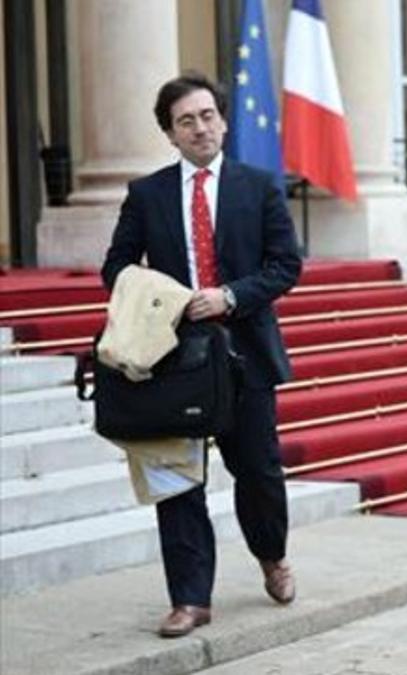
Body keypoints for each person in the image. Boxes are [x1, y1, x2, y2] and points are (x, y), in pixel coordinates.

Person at [101, 72, 303, 638]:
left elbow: (286, 264)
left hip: (245, 354)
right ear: (170, 133)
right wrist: (162, 298)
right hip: (170, 360)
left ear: (223, 120)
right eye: (186, 120)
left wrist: (231, 296)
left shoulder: (259, 186)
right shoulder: (147, 195)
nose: (200, 128)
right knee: (176, 480)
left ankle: (272, 556)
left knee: (258, 471)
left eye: (207, 115)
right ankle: (190, 598)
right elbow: (115, 269)